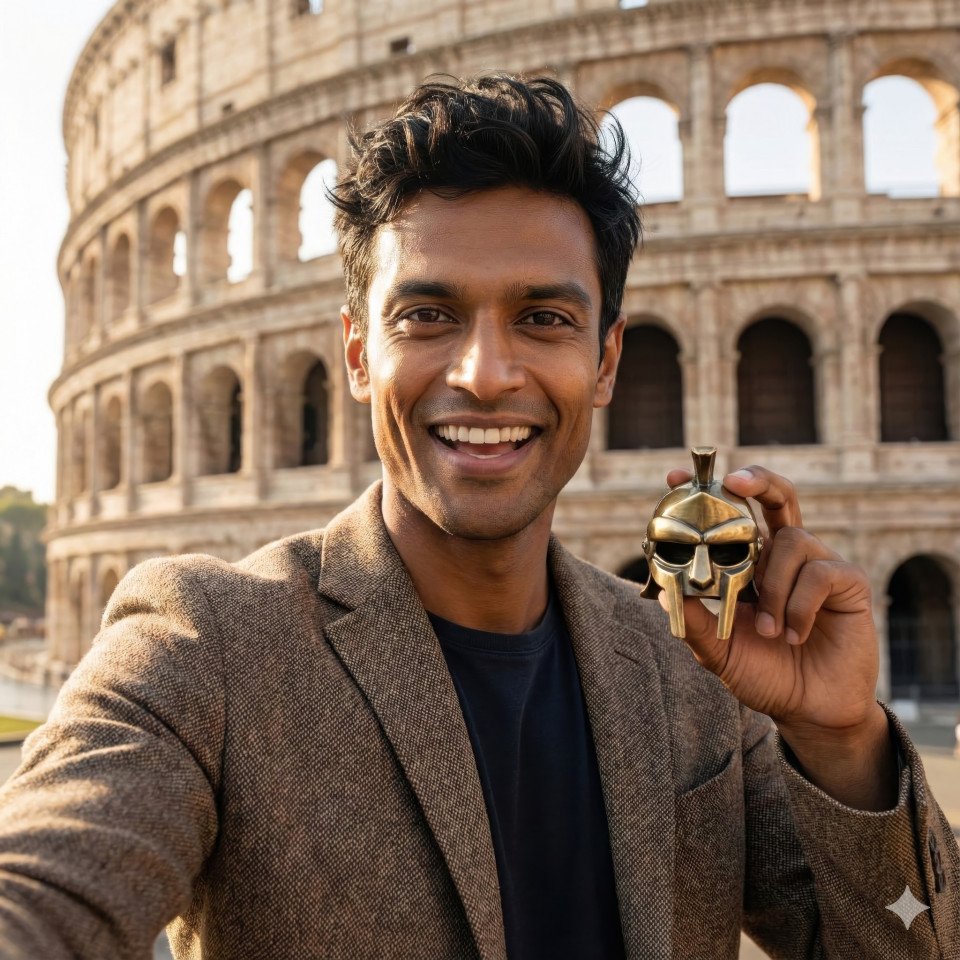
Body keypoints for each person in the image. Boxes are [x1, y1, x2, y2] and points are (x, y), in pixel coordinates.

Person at [0, 73, 956, 960]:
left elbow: (911, 943)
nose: (486, 374)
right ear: (359, 353)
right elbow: (47, 887)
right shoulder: (206, 644)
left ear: (607, 359)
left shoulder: (691, 670)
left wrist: (842, 743)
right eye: (428, 316)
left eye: (543, 318)